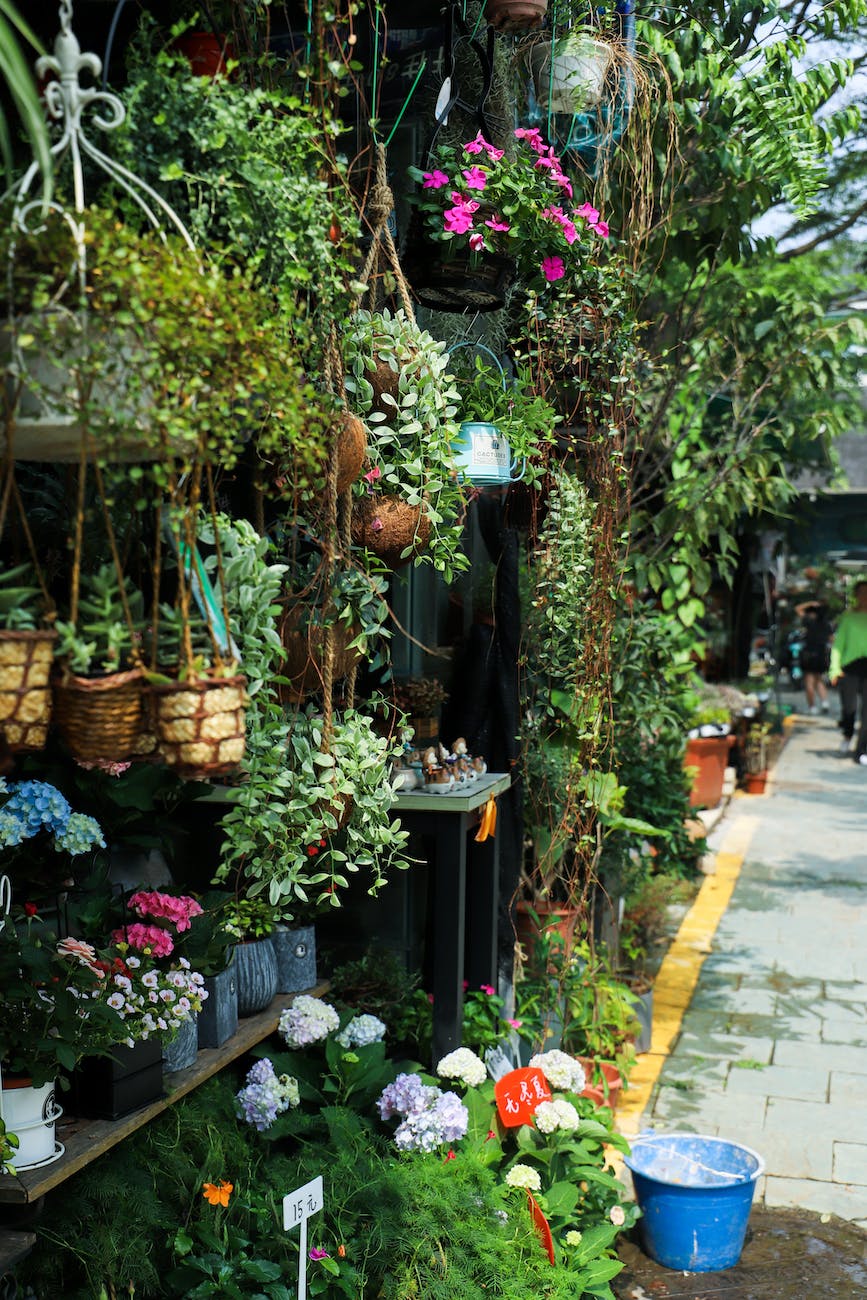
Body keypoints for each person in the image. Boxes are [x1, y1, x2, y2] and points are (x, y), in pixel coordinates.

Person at [829, 580, 867, 764]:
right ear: (856, 595)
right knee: (849, 708)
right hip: (850, 667)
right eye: (861, 593)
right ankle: (847, 734)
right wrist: (834, 669)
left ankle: (862, 751)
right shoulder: (849, 617)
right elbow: (838, 645)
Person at [793, 600, 831, 715]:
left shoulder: (809, 621)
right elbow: (831, 639)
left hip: (809, 653)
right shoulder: (826, 624)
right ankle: (825, 702)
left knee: (809, 681)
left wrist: (810, 603)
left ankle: (812, 707)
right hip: (822, 653)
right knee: (819, 679)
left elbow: (797, 609)